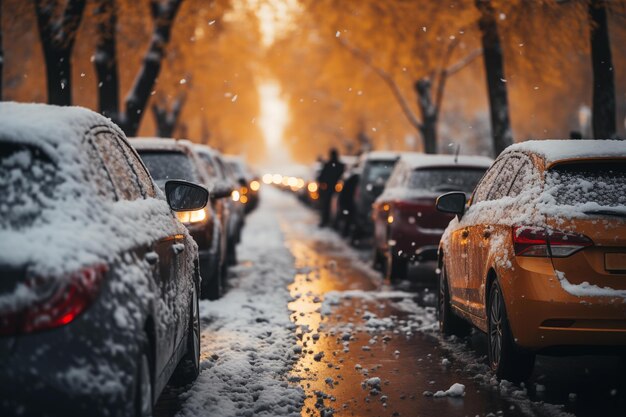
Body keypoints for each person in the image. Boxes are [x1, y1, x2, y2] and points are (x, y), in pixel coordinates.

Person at [317, 148, 345, 227]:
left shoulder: (328, 165)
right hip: (337, 190)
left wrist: (323, 185)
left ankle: (326, 220)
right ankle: (332, 221)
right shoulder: (340, 166)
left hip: (329, 190)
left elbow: (321, 178)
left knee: (326, 206)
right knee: (335, 207)